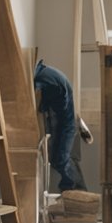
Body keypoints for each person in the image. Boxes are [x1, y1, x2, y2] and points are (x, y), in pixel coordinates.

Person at [34, 59, 88, 192]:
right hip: (63, 123)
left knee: (62, 159)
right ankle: (69, 191)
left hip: (67, 126)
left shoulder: (45, 78)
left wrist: (42, 105)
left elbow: (61, 103)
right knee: (57, 158)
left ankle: (76, 191)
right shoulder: (47, 74)